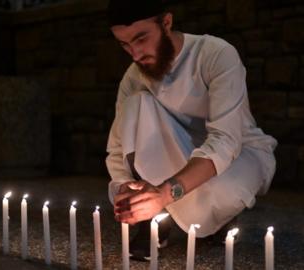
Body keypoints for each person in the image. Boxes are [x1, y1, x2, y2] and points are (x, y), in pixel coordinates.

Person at [105, 0, 277, 261]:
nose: (135, 54)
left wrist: (163, 194)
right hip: (167, 161)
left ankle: (215, 219)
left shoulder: (215, 53)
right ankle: (156, 219)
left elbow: (224, 140)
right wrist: (123, 188)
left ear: (166, 22)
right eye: (125, 45)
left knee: (226, 189)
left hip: (238, 154)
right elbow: (118, 148)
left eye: (141, 39)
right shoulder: (133, 77)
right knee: (137, 103)